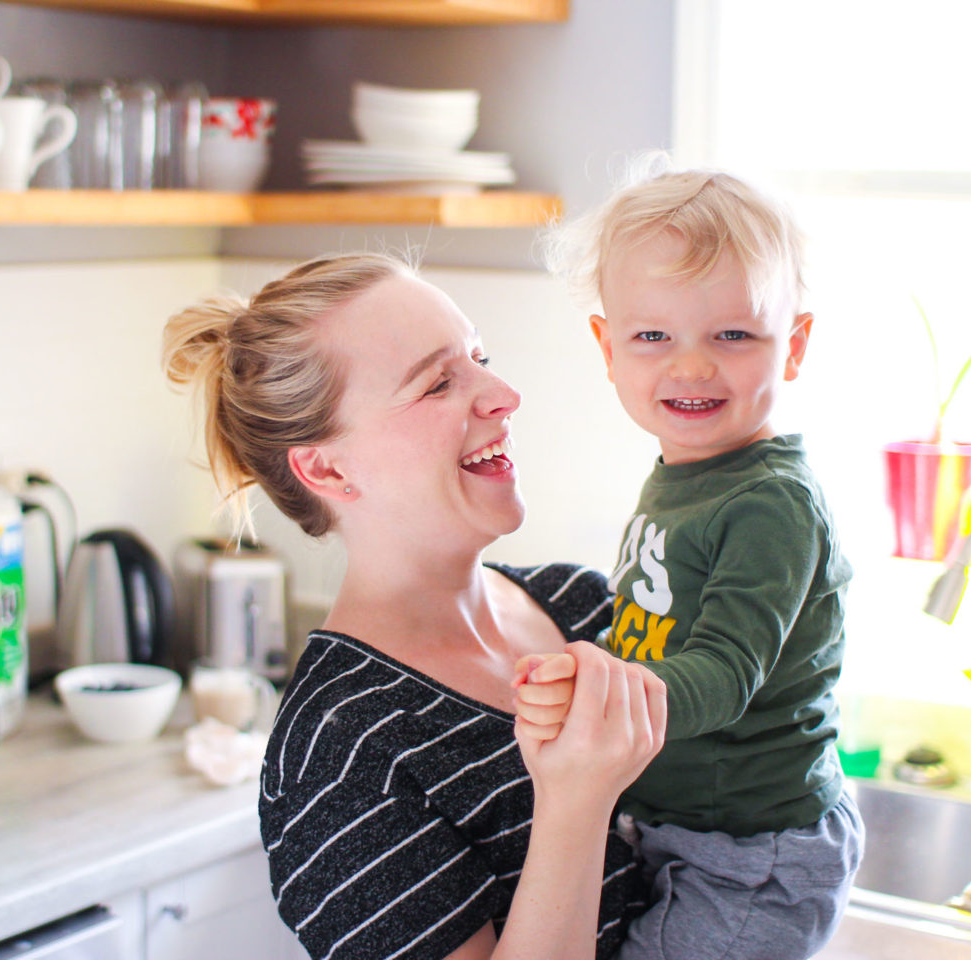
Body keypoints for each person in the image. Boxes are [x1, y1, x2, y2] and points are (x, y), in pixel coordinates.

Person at [162, 252, 668, 960]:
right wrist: (575, 801)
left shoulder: (583, 605)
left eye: (480, 357)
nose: (503, 394)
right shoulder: (340, 754)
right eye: (438, 383)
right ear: (329, 468)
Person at [523, 165, 865, 960]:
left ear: (796, 346)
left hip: (753, 855)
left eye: (733, 335)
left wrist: (600, 691)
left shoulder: (770, 503)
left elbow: (722, 671)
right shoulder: (685, 471)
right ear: (609, 348)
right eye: (653, 337)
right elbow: (653, 629)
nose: (691, 367)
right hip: (686, 829)